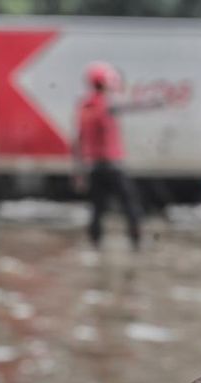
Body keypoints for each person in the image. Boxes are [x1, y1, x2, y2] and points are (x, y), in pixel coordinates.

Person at [75, 62, 143, 252]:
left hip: (94, 166)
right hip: (112, 165)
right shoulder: (105, 105)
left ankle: (95, 244)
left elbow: (79, 139)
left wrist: (79, 169)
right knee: (130, 204)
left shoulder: (84, 106)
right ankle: (136, 241)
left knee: (97, 208)